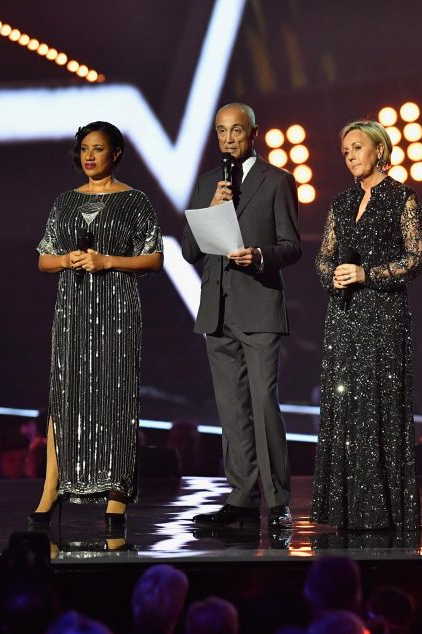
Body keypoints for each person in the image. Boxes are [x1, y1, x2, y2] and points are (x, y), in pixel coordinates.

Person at [30, 121, 163, 532]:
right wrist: (67, 258)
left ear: (116, 153)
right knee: (64, 395)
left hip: (117, 311)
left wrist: (108, 261)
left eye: (98, 149)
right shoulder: (65, 202)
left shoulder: (135, 201)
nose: (89, 156)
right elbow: (43, 259)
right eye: (84, 148)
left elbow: (154, 258)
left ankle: (117, 494)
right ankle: (51, 489)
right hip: (72, 311)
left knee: (115, 396)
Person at [182, 103, 301, 530]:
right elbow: (190, 251)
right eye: (221, 132)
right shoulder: (206, 184)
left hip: (259, 306)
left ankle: (278, 498)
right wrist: (212, 209)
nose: (229, 139)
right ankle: (241, 497)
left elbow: (292, 245)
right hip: (218, 310)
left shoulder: (277, 181)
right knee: (231, 409)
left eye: (236, 131)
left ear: (253, 132)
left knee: (264, 403)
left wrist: (260, 256)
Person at [312, 120, 422, 531]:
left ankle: (382, 511)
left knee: (378, 405)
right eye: (345, 152)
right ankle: (344, 509)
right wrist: (334, 276)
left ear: (379, 150)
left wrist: (368, 274)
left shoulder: (401, 199)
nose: (350, 157)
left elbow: (416, 258)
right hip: (343, 317)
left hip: (383, 316)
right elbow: (323, 257)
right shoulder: (341, 203)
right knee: (345, 407)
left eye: (357, 148)